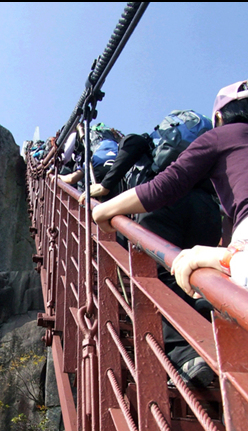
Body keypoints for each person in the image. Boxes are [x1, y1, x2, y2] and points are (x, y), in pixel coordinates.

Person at [92, 80, 248, 298]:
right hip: (215, 217)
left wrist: (103, 209)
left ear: (219, 118)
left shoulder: (221, 135)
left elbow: (166, 185)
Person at [81, 129, 223, 387]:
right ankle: (209, 323)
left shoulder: (130, 143)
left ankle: (186, 354)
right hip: (208, 210)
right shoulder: (164, 151)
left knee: (155, 282)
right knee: (190, 277)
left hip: (164, 207)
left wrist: (105, 186)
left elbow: (132, 145)